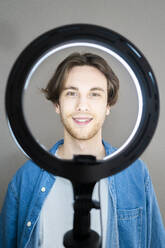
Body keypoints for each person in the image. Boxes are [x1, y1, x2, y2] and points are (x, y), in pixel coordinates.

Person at [0, 53, 165, 248]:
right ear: (57, 104)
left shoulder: (135, 174)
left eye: (94, 94)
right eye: (71, 93)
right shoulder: (26, 179)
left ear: (108, 105)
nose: (82, 106)